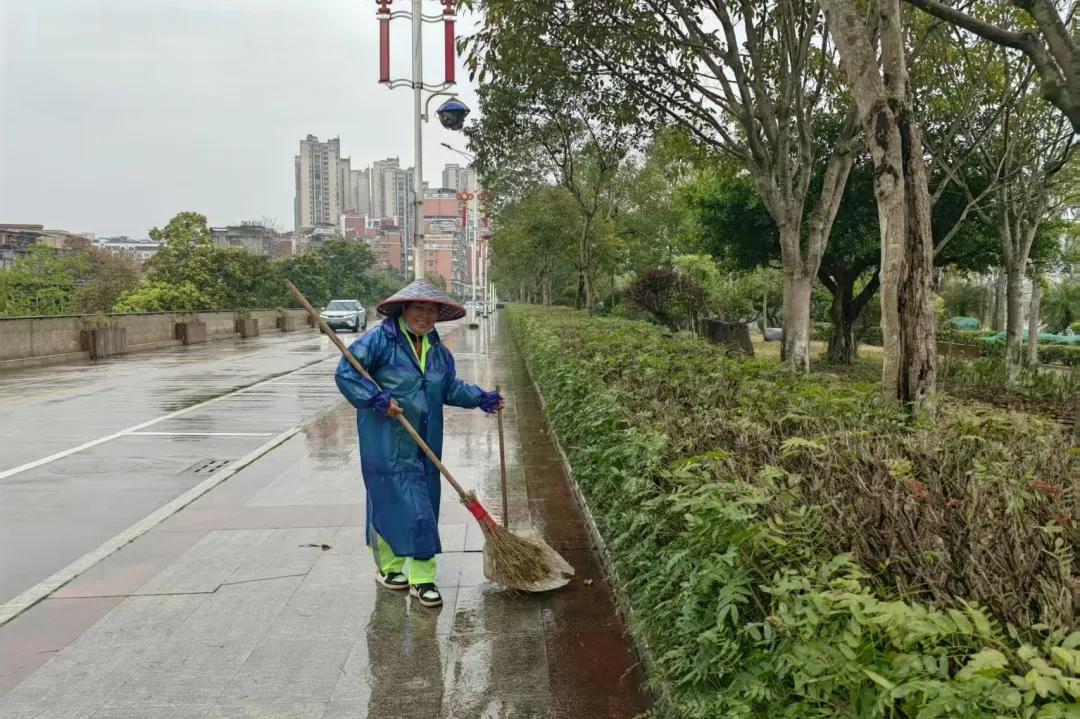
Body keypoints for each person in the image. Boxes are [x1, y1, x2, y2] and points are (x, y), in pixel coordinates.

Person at [335, 279, 504, 608]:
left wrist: (482, 398)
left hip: (426, 441)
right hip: (385, 441)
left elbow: (449, 388)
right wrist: (376, 399)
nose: (426, 316)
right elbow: (347, 373)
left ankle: (419, 574)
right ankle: (395, 570)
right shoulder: (379, 341)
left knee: (423, 506)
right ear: (404, 309)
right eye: (419, 308)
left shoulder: (437, 350)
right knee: (388, 504)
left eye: (432, 310)